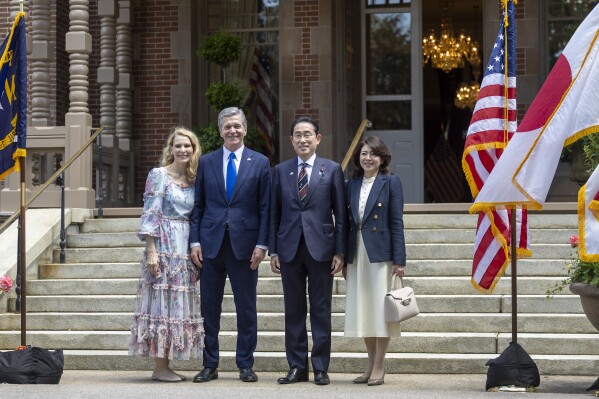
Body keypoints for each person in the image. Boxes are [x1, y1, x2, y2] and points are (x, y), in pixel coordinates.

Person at [189, 107, 271, 383]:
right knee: (209, 310)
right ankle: (209, 364)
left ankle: (245, 364)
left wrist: (262, 244)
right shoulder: (207, 162)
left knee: (246, 308)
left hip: (246, 248)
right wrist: (195, 241)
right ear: (220, 131)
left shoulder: (259, 162)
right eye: (227, 127)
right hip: (211, 247)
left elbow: (265, 208)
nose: (232, 131)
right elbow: (198, 206)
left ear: (245, 129)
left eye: (237, 126)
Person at [269, 116, 347, 386]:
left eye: (307, 134)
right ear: (291, 140)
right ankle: (297, 366)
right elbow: (273, 213)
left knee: (321, 309)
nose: (302, 139)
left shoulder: (333, 169)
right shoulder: (281, 170)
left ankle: (321, 367)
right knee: (293, 310)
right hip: (289, 249)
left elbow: (341, 214)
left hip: (322, 250)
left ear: (318, 138)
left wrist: (340, 251)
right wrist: (273, 250)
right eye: (297, 135)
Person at [129, 127, 204, 382]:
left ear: (194, 150)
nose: (183, 150)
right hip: (163, 245)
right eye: (178, 146)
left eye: (188, 146)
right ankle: (159, 368)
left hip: (184, 248)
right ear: (170, 149)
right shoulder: (159, 175)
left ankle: (166, 365)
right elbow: (151, 212)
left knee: (177, 307)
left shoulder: (195, 179)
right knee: (161, 306)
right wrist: (151, 251)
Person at [343, 136, 406, 386]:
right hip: (356, 253)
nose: (368, 158)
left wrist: (399, 261)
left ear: (382, 158)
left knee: (380, 312)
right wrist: (344, 256)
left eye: (373, 154)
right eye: (364, 153)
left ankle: (380, 365)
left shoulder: (391, 182)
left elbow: (396, 223)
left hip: (381, 253)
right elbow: (347, 224)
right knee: (364, 310)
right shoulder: (352, 184)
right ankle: (369, 365)